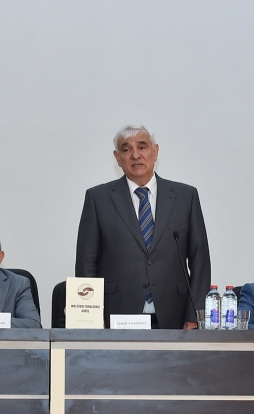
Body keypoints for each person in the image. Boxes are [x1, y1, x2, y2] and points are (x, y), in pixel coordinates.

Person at [75, 125, 211, 329]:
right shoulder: (98, 199)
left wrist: (195, 315)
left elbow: (200, 260)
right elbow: (86, 263)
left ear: (155, 152)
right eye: (126, 149)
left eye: (142, 147)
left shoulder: (185, 197)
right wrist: (92, 317)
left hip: (175, 315)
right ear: (117, 158)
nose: (135, 155)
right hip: (116, 315)